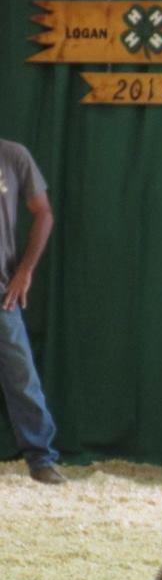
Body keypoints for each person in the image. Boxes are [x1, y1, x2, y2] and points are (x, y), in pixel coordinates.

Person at [0, 138, 65, 485]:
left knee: (21, 375)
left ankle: (41, 459)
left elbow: (43, 212)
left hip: (2, 293)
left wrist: (25, 270)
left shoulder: (13, 155)